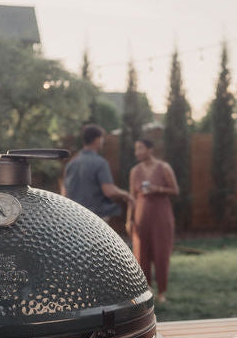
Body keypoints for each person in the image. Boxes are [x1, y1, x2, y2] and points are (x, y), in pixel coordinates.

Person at [127, 138, 179, 303]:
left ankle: (162, 292)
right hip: (141, 216)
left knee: (161, 253)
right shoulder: (135, 171)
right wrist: (129, 219)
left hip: (161, 216)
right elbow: (132, 197)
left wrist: (157, 189)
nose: (137, 153)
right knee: (140, 254)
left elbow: (175, 190)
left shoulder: (164, 167)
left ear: (150, 150)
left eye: (140, 148)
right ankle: (146, 291)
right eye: (136, 149)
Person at [62, 124, 134, 233]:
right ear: (97, 140)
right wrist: (126, 195)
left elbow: (64, 193)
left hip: (74, 218)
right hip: (95, 218)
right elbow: (109, 191)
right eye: (102, 138)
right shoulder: (100, 163)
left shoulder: (71, 163)